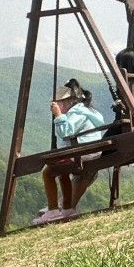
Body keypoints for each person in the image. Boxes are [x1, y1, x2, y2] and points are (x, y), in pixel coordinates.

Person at [32, 78, 105, 225]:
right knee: (61, 171)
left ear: (68, 102)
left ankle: (53, 210)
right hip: (91, 151)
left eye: (60, 104)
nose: (59, 106)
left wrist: (58, 116)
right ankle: (67, 209)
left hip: (82, 153)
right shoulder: (89, 111)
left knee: (48, 172)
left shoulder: (77, 113)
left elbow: (66, 132)